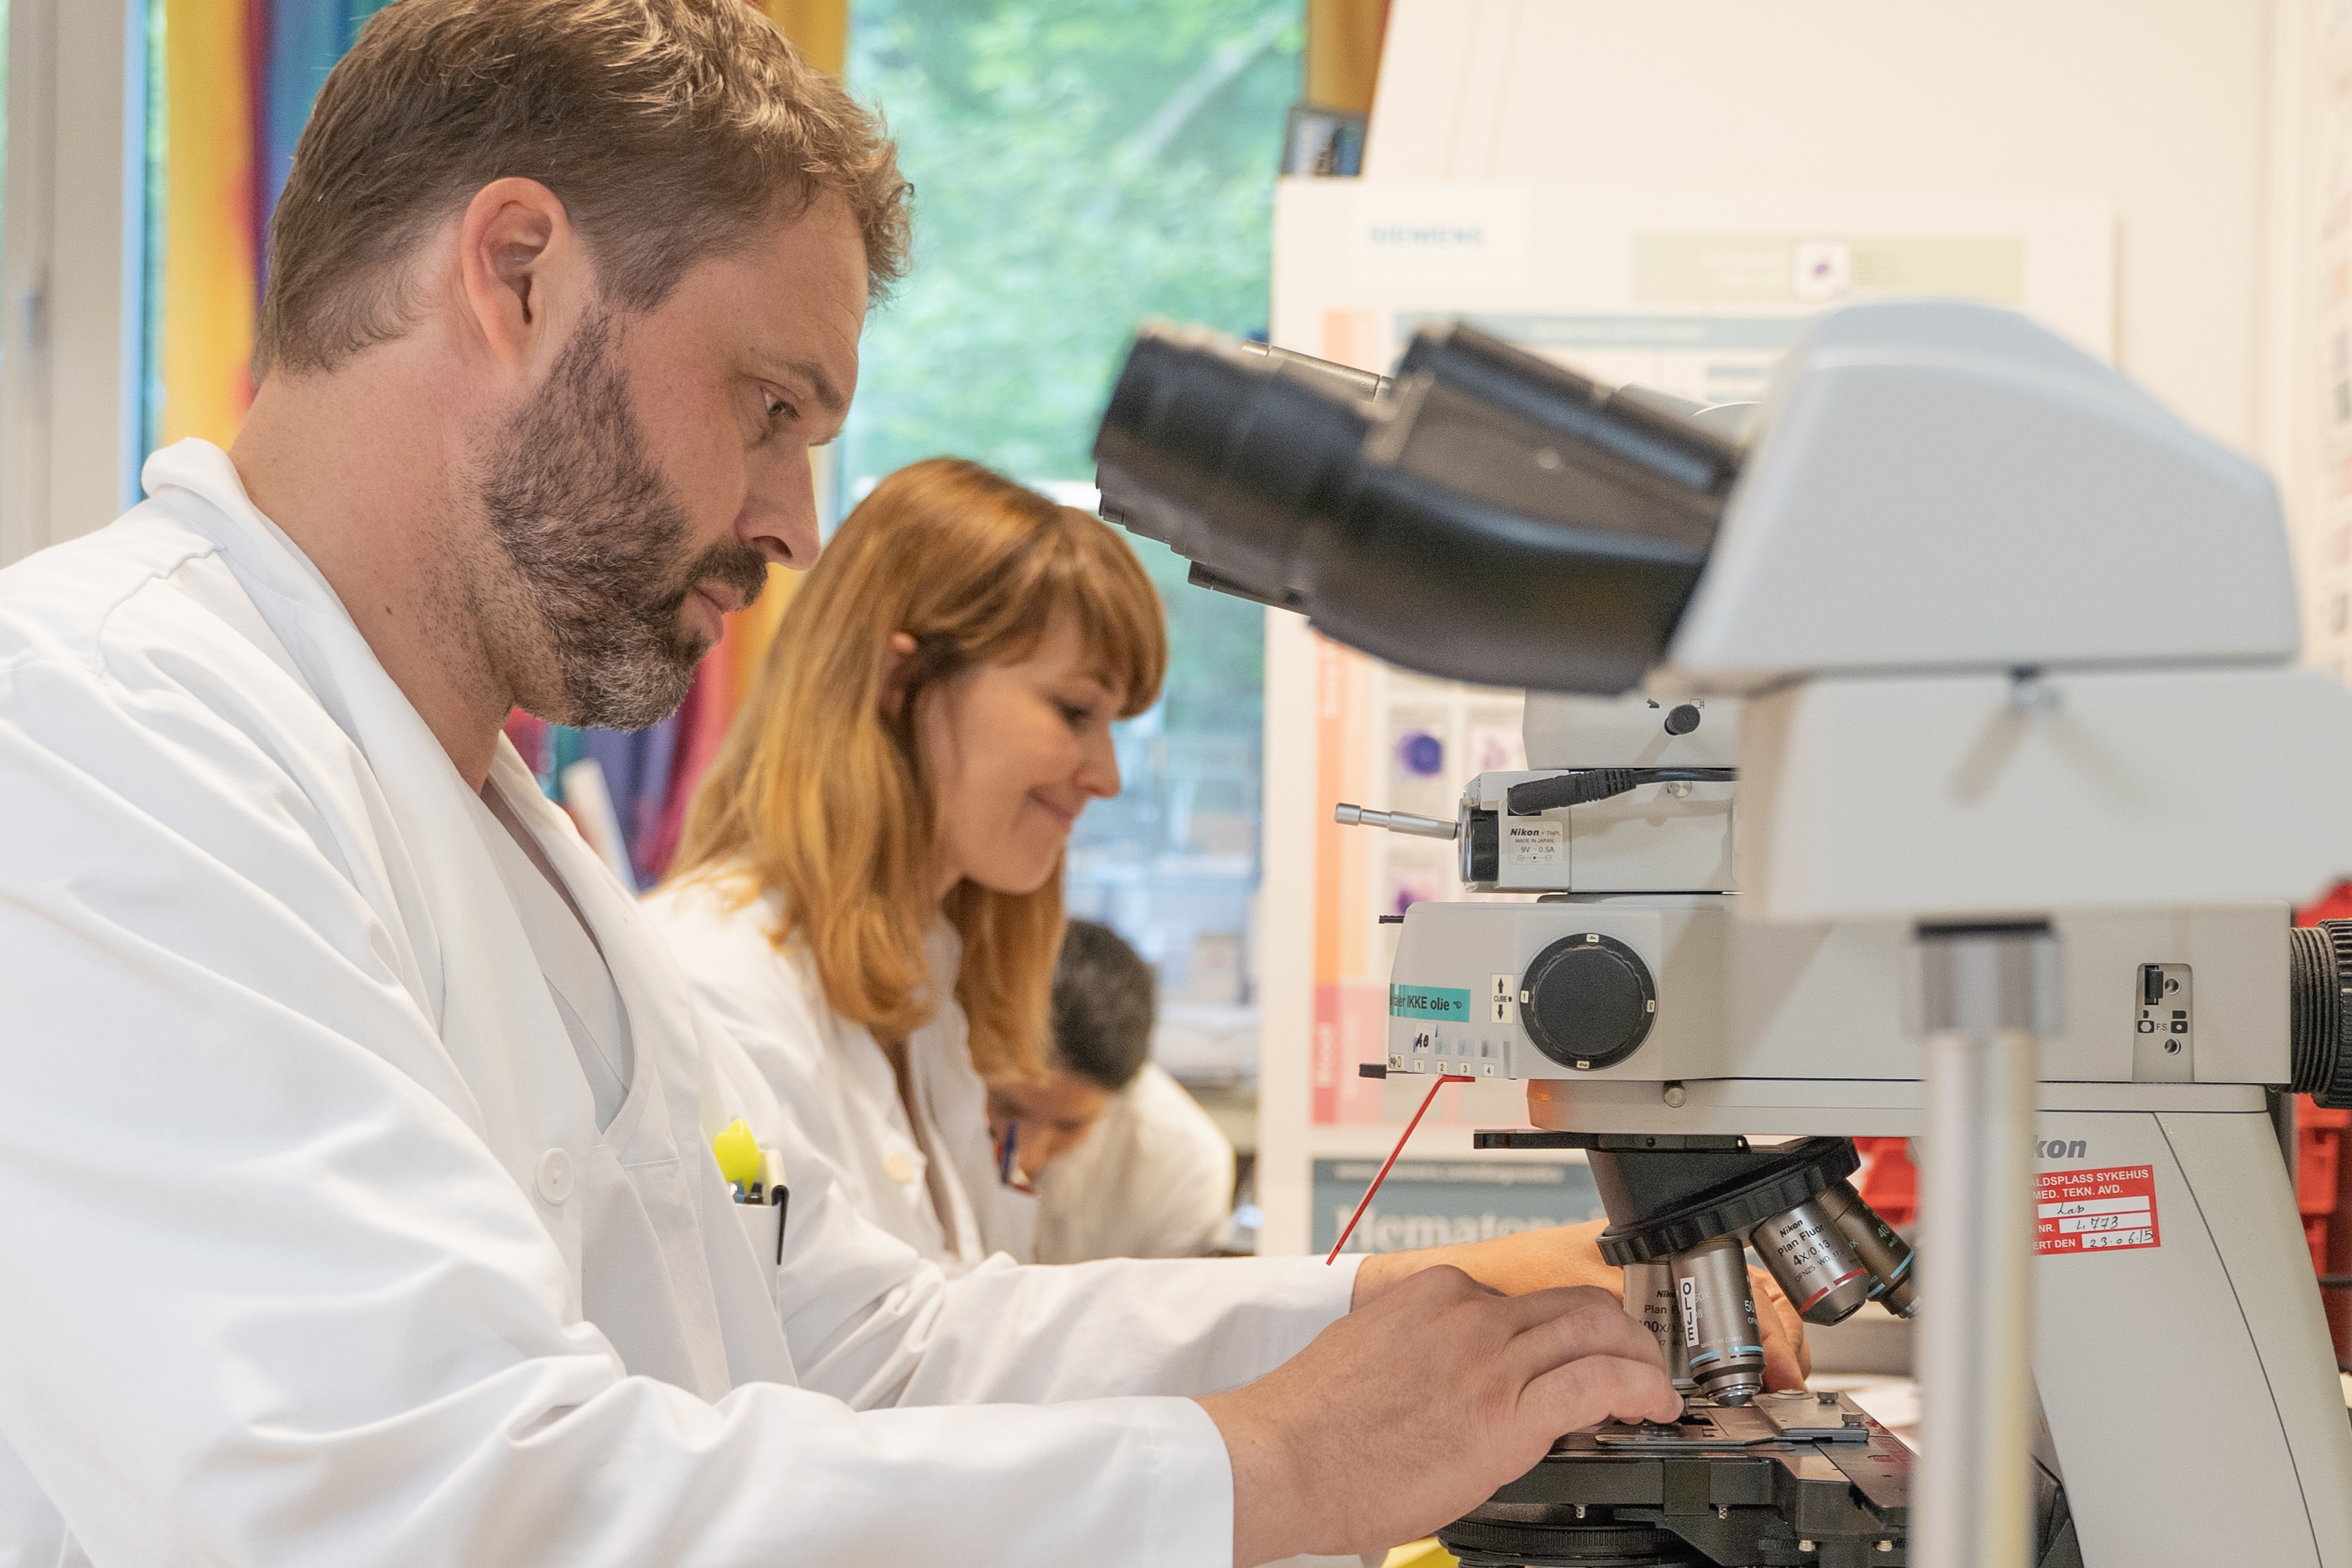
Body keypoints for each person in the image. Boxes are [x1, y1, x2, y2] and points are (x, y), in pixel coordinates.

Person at [0, 4, 1803, 1563]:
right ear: (516, 272)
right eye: (769, 404)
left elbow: (865, 1344)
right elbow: (416, 1501)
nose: (794, 522)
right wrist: (1269, 1461)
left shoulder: (506, 832)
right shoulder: (100, 728)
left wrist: (1406, 1318)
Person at [644, 456, 1162, 1275]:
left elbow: (975, 1325)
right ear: (899, 677)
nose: (1105, 775)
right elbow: (819, 1341)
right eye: (1074, 711)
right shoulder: (707, 984)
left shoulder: (933, 995)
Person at [991, 919, 1239, 1263]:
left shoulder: (1184, 1164)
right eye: (1008, 1109)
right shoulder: (933, 1089)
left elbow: (1167, 1313)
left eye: (1069, 1126)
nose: (1028, 1154)